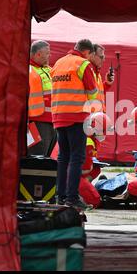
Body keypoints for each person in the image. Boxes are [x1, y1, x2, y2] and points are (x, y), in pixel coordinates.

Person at [51, 39, 98, 210]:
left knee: (63, 157)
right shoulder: (83, 64)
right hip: (77, 116)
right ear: (87, 52)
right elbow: (93, 92)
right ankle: (72, 197)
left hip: (58, 116)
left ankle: (60, 196)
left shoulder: (58, 63)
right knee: (76, 158)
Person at [78, 112, 114, 209]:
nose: (105, 134)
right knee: (95, 201)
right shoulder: (88, 142)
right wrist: (90, 165)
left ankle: (81, 189)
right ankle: (77, 191)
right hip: (73, 175)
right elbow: (85, 168)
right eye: (103, 131)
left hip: (73, 172)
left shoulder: (89, 138)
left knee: (97, 169)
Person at [28, 40, 56, 156]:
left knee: (49, 157)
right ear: (38, 54)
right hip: (36, 121)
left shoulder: (49, 69)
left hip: (52, 120)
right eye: (47, 53)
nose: (50, 55)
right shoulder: (28, 69)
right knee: (37, 155)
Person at [89, 44, 115, 112]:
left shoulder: (96, 73)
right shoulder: (88, 71)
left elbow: (98, 94)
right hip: (91, 116)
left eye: (104, 57)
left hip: (97, 115)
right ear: (93, 55)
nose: (103, 60)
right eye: (101, 57)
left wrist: (107, 84)